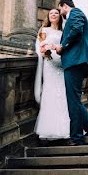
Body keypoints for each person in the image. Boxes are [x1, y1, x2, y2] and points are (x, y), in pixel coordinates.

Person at [53, 0, 88, 145]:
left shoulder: (75, 12)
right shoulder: (73, 15)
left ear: (65, 6)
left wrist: (62, 46)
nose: (61, 13)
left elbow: (77, 29)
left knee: (72, 100)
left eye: (60, 10)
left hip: (75, 62)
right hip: (75, 61)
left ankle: (77, 137)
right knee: (75, 99)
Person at [32, 8, 70, 141]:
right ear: (48, 16)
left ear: (60, 16)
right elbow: (40, 46)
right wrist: (44, 51)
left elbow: (66, 46)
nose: (54, 15)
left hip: (61, 65)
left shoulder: (63, 32)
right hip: (49, 64)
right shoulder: (44, 31)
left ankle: (64, 128)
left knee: (62, 95)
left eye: (56, 13)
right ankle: (48, 129)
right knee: (50, 93)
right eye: (51, 13)